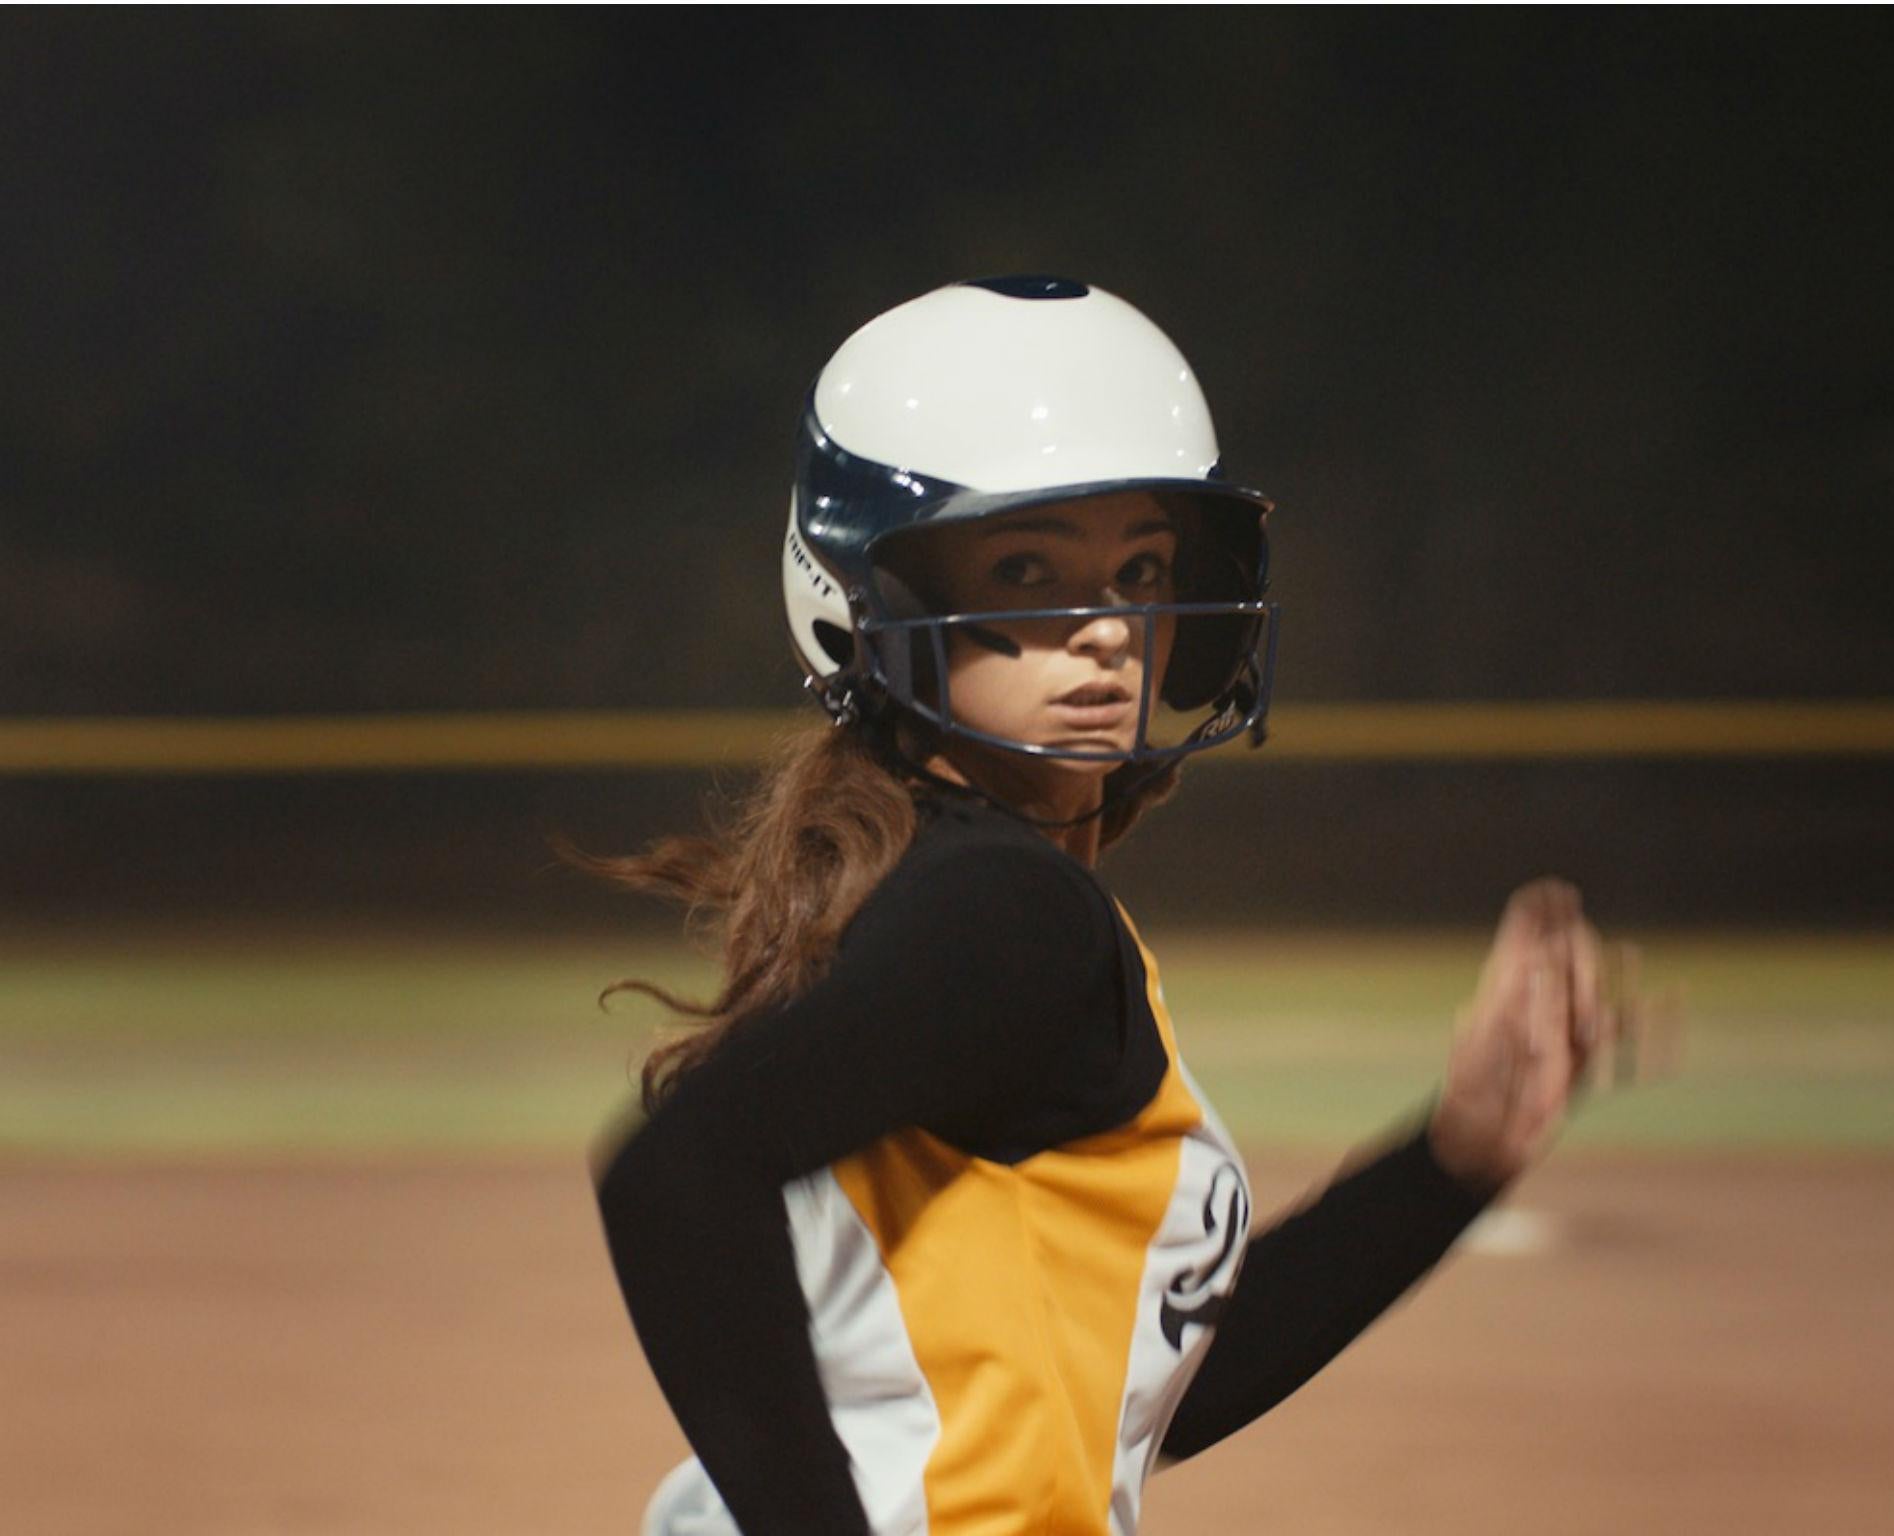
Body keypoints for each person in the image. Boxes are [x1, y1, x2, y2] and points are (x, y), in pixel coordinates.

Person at [587, 276, 1627, 1536]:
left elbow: (1138, 1391)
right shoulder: (1010, 914)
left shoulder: (931, 880)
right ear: (870, 601)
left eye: (1137, 570)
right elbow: (680, 1175)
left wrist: (1448, 1163)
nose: (1107, 632)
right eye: (1025, 571)